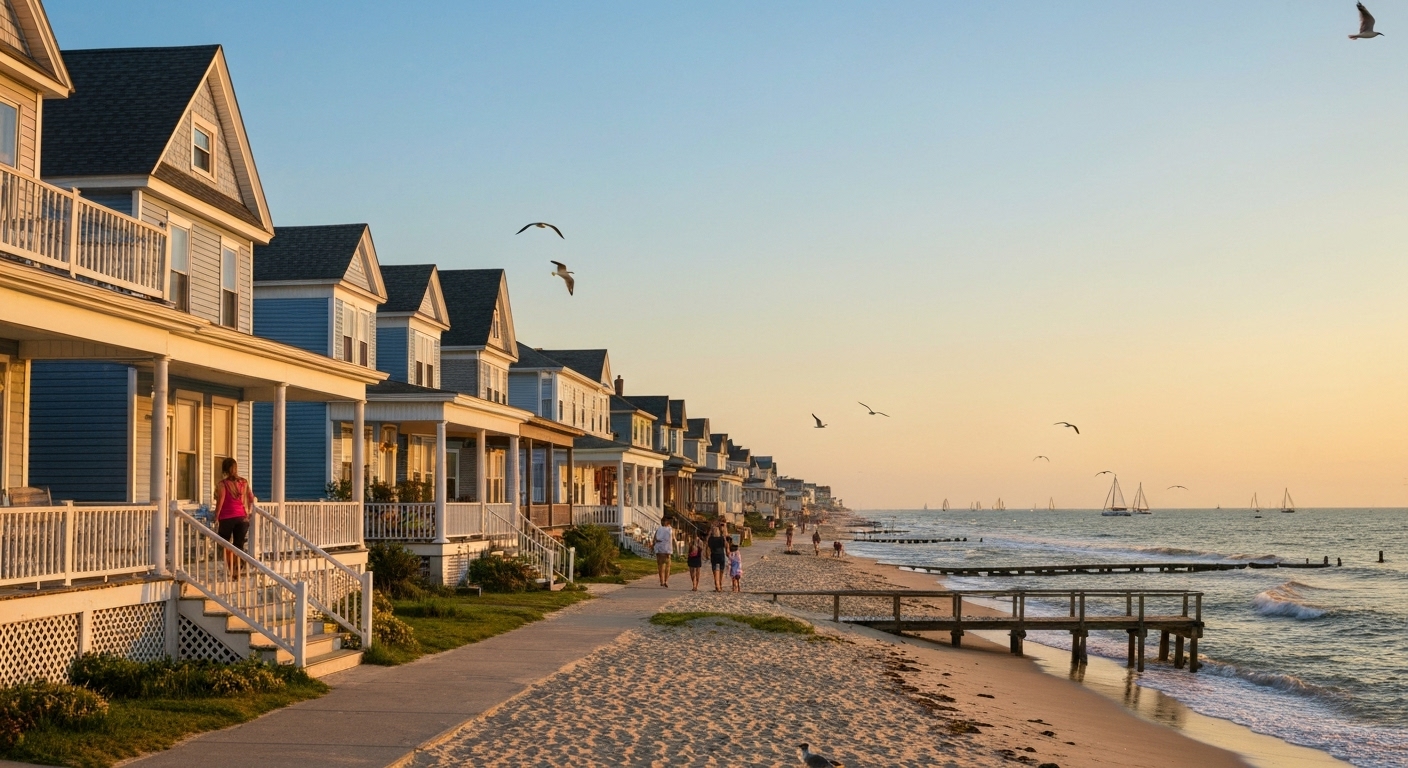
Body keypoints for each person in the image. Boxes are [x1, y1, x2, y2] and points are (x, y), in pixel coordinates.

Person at [214, 457, 255, 578]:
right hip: (242, 518)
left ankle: (232, 570)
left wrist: (216, 516)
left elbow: (220, 501)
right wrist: (248, 512)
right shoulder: (244, 482)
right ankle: (238, 569)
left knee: (225, 544)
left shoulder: (223, 484)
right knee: (238, 545)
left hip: (226, 517)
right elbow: (251, 498)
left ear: (225, 469)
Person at [707, 523, 729, 592]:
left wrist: (709, 532)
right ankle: (720, 583)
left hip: (714, 555)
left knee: (714, 570)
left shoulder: (711, 539)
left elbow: (707, 544)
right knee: (721, 570)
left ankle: (717, 584)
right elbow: (725, 545)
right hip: (721, 555)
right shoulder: (721, 538)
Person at [653, 519, 674, 588]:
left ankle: (661, 581)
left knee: (660, 566)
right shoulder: (670, 530)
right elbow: (671, 540)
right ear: (668, 523)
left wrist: (653, 546)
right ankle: (666, 581)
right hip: (667, 551)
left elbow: (655, 538)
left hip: (659, 550)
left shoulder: (658, 529)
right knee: (667, 567)